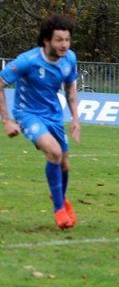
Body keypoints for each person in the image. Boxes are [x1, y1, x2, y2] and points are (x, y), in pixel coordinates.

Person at [0, 16, 81, 229]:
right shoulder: (27, 61)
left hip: (54, 115)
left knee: (64, 162)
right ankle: (59, 210)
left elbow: (70, 87)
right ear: (46, 41)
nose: (64, 45)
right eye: (59, 40)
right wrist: (7, 121)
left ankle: (60, 199)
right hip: (28, 114)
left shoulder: (70, 59)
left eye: (67, 40)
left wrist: (75, 119)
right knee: (53, 152)